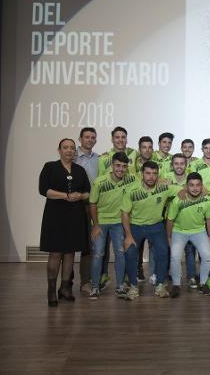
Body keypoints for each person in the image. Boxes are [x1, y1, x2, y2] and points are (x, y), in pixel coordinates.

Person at [39, 138, 90, 307]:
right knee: (55, 253)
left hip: (74, 215)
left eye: (72, 148)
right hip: (55, 215)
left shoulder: (80, 170)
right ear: (59, 150)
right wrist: (65, 196)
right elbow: (44, 190)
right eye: (65, 147)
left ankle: (65, 288)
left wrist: (80, 196)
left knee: (69, 253)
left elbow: (88, 192)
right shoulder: (50, 167)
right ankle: (51, 290)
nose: (69, 150)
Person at [121, 161, 175, 300]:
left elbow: (184, 189)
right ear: (142, 174)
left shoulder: (164, 187)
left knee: (163, 252)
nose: (151, 177)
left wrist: (203, 190)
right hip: (136, 226)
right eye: (148, 173)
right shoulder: (132, 190)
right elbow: (125, 213)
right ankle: (133, 286)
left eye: (154, 173)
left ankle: (160, 285)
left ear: (158, 175)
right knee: (131, 252)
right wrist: (128, 236)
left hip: (156, 226)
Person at [88, 152, 137, 299]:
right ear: (111, 165)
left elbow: (149, 179)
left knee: (120, 253)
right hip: (101, 222)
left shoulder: (131, 180)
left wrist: (162, 181)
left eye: (124, 166)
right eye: (118, 165)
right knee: (98, 253)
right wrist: (95, 225)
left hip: (119, 222)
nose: (121, 169)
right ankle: (95, 287)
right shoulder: (99, 181)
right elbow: (92, 203)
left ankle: (120, 286)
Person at [166, 172, 210, 298]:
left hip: (199, 231)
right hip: (179, 231)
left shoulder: (207, 199)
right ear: (186, 186)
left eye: (198, 185)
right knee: (175, 257)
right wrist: (169, 237)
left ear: (202, 186)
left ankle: (203, 283)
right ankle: (176, 285)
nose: (195, 188)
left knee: (207, 256)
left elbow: (209, 219)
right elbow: (170, 220)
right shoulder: (178, 199)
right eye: (191, 185)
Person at [73, 127, 98, 293]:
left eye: (92, 137)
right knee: (68, 244)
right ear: (80, 139)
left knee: (89, 244)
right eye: (86, 137)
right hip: (74, 205)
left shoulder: (99, 159)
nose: (89, 140)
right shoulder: (72, 157)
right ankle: (67, 281)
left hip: (94, 205)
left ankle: (85, 282)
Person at [134, 136, 154, 282]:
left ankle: (154, 273)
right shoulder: (132, 165)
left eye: (149, 147)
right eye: (144, 147)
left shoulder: (157, 165)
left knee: (154, 244)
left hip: (155, 210)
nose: (146, 150)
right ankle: (137, 270)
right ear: (139, 149)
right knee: (138, 244)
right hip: (137, 211)